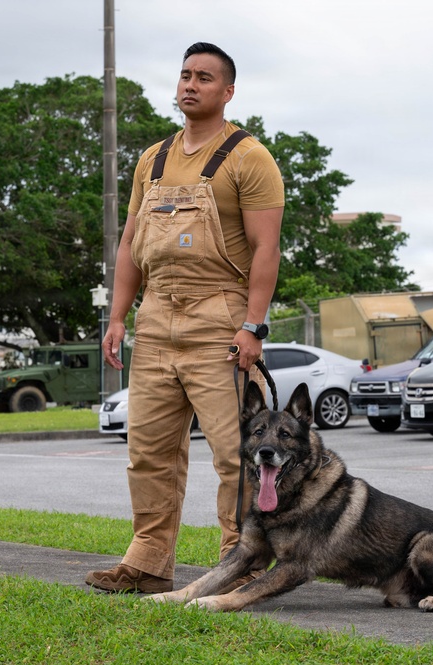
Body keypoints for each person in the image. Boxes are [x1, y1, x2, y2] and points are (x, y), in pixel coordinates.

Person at [85, 42, 285, 593]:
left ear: (228, 91)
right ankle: (147, 562)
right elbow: (130, 243)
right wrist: (119, 317)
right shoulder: (152, 159)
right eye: (185, 75)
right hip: (155, 319)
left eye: (204, 77)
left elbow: (266, 250)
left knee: (234, 454)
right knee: (147, 450)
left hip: (218, 316)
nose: (190, 84)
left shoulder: (249, 157)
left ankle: (239, 564)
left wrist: (253, 325)